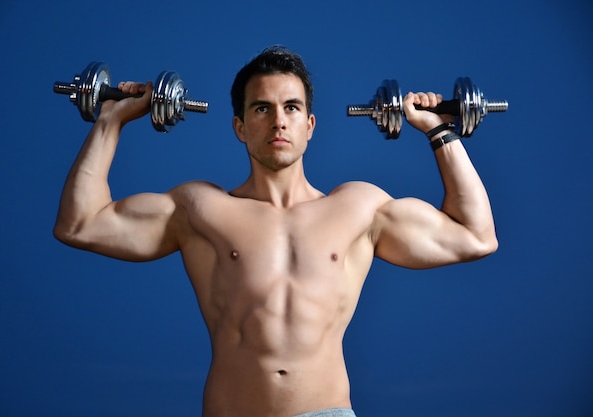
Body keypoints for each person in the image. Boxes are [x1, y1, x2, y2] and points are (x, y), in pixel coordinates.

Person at [54, 46, 498, 417]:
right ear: (241, 128)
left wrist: (438, 129)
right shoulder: (200, 210)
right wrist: (109, 121)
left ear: (309, 126)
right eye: (261, 108)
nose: (278, 121)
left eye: (292, 108)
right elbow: (81, 224)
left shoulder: (358, 208)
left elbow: (476, 236)